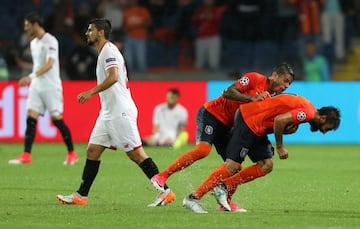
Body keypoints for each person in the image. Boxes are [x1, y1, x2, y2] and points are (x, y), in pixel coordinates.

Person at [56, 18, 175, 207]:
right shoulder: (103, 52)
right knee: (93, 150)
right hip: (108, 112)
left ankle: (166, 192)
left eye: (90, 30)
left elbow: (112, 77)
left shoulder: (109, 51)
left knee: (136, 154)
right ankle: (81, 195)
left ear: (100, 32)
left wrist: (90, 92)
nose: (87, 33)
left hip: (120, 112)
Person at [151, 63, 294, 211]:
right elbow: (228, 92)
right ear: (275, 75)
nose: (287, 85)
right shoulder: (255, 79)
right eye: (285, 80)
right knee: (203, 150)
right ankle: (162, 177)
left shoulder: (272, 98)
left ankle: (225, 202)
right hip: (211, 114)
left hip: (229, 127)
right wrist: (251, 99)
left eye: (290, 83)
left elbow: (257, 120)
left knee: (235, 167)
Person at [182, 94, 340, 213]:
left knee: (266, 165)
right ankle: (193, 198)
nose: (325, 132)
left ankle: (224, 187)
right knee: (233, 165)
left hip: (258, 124)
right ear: (323, 118)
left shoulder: (307, 108)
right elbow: (279, 120)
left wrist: (283, 130)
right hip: (250, 120)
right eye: (328, 127)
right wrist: (280, 146)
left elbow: (278, 117)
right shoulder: (309, 113)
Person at [8, 12, 78, 165]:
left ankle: (72, 153)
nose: (25, 28)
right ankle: (26, 154)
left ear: (35, 24)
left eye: (27, 25)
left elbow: (50, 63)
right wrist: (32, 76)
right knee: (30, 117)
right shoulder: (33, 43)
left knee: (57, 120)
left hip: (51, 86)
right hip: (37, 86)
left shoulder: (50, 40)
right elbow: (38, 65)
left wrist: (30, 76)